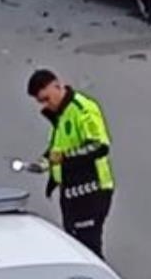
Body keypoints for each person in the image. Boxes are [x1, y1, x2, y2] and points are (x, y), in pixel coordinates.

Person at [26, 69, 115, 258]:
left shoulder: (82, 108)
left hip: (92, 189)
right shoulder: (60, 115)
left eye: (46, 98)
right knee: (74, 246)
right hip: (71, 191)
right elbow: (57, 148)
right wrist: (43, 164)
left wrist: (64, 158)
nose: (45, 105)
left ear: (58, 86)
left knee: (88, 249)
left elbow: (100, 145)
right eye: (40, 101)